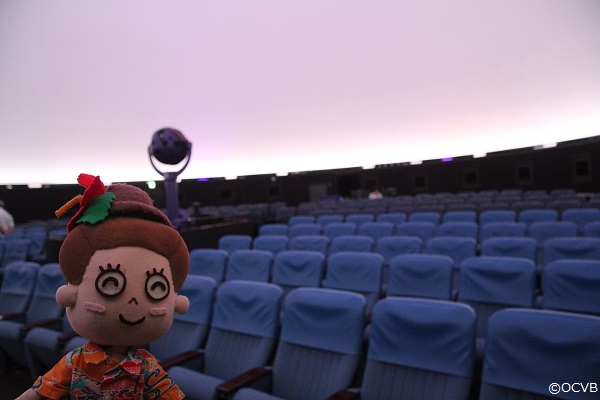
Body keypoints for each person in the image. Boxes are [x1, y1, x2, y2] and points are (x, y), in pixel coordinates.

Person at [18, 174, 190, 399]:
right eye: (110, 283)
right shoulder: (77, 362)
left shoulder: (146, 367)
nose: (133, 301)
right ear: (71, 294)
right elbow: (41, 392)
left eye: (156, 287)